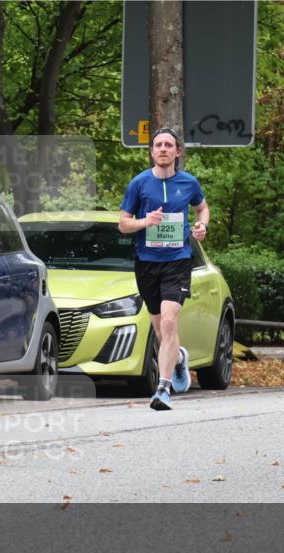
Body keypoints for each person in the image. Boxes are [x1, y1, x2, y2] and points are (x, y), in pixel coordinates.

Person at [119, 127, 209, 410]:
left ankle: (163, 389)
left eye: (168, 145)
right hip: (146, 263)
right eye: (158, 145)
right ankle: (179, 360)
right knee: (160, 329)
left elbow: (202, 208)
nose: (163, 149)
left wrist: (202, 225)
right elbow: (123, 224)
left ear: (177, 152)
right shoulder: (139, 184)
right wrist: (145, 222)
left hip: (178, 260)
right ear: (151, 151)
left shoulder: (189, 183)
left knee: (170, 321)